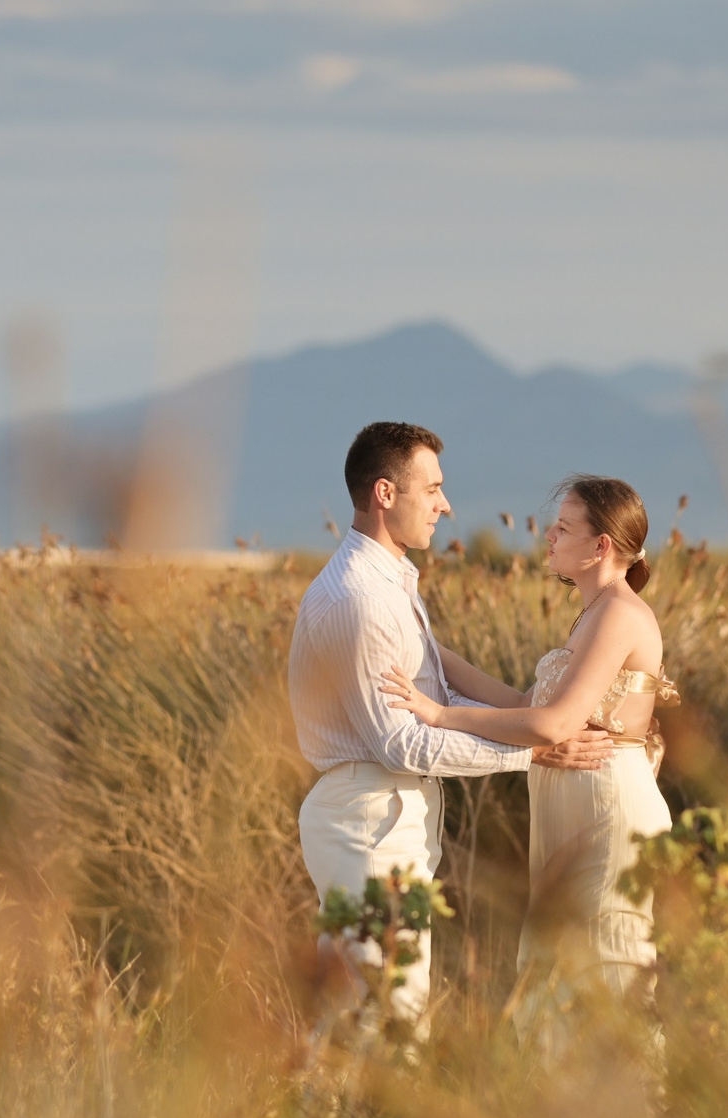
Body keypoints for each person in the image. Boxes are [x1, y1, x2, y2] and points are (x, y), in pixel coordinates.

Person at [288, 422, 614, 1030]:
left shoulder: (389, 584)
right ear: (386, 494)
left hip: (381, 817)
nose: (446, 504)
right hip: (368, 820)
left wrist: (528, 717)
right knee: (384, 1023)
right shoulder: (358, 598)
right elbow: (403, 742)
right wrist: (533, 754)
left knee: (361, 1022)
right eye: (432, 488)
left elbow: (437, 676)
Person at [379, 474, 676, 1033]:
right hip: (578, 806)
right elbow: (522, 704)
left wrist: (439, 714)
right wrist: (427, 648)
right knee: (563, 970)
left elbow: (555, 723)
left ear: (601, 546)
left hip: (608, 809)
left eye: (563, 527)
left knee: (604, 968)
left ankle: (628, 1111)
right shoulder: (594, 612)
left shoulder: (619, 613)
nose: (548, 535)